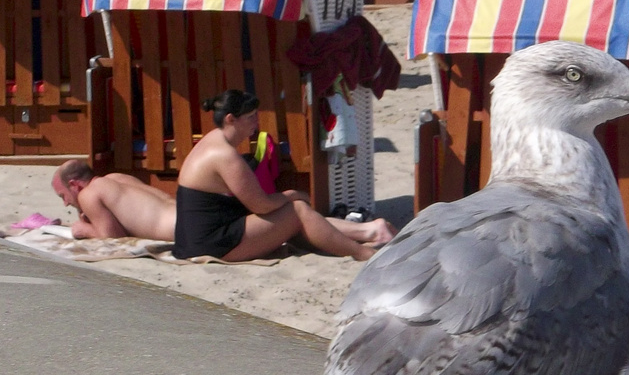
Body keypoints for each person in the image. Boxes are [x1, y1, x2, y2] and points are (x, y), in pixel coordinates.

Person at [174, 90, 394, 262]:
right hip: (212, 244)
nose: (256, 122)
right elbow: (261, 205)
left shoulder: (213, 140)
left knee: (294, 215)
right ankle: (362, 252)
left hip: (198, 239)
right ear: (231, 119)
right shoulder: (224, 155)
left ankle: (370, 232)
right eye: (250, 117)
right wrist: (292, 195)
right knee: (296, 210)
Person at [51, 160, 178, 241]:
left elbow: (114, 239)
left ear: (74, 185)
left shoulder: (88, 194)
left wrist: (84, 230)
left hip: (182, 229)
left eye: (63, 196)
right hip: (186, 212)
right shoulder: (116, 178)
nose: (66, 203)